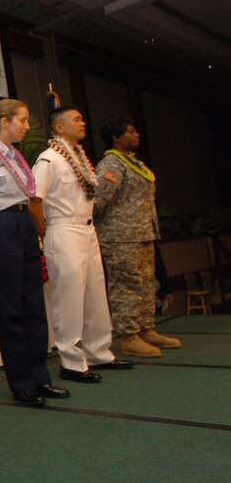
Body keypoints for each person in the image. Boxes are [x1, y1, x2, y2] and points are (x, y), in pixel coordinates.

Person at [0, 99, 69, 407]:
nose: (26, 126)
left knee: (34, 305)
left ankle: (41, 377)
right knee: (11, 309)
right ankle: (21, 383)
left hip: (24, 223)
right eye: (21, 120)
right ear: (4, 121)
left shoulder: (16, 156)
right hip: (1, 226)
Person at [31, 107, 133, 383]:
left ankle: (99, 351)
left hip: (87, 229)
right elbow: (34, 200)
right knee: (70, 296)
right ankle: (72, 361)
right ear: (59, 128)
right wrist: (44, 231)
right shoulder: (49, 159)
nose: (83, 122)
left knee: (95, 291)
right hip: (63, 229)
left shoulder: (80, 157)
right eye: (76, 119)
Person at [94, 117, 181, 357]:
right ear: (116, 137)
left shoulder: (135, 163)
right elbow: (98, 200)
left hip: (142, 232)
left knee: (145, 283)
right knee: (126, 285)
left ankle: (146, 328)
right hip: (121, 236)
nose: (136, 135)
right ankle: (128, 336)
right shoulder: (112, 164)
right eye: (130, 132)